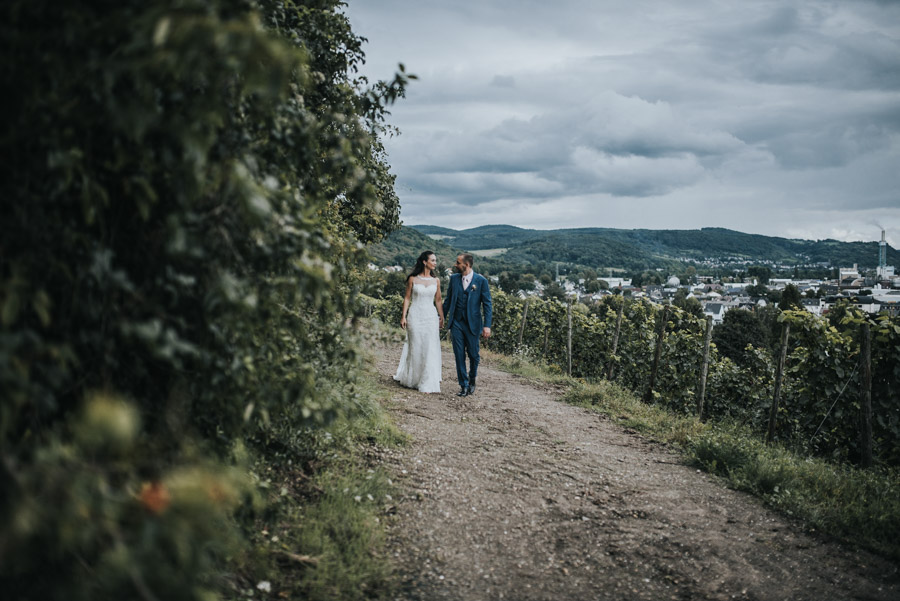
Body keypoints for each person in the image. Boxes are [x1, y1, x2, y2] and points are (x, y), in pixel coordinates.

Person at [394, 251, 444, 393]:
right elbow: (407, 298)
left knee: (429, 347)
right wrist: (403, 316)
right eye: (433, 260)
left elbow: (438, 300)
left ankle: (427, 380)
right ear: (424, 262)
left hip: (430, 316)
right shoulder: (412, 279)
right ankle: (413, 379)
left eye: (435, 260)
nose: (435, 263)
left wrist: (441, 317)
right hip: (415, 315)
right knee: (415, 345)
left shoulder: (436, 281)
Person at [442, 253, 492, 397]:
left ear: (467, 265)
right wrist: (441, 317)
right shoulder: (454, 279)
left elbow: (487, 304)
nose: (455, 265)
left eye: (458, 263)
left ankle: (472, 379)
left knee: (474, 355)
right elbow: (448, 300)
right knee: (459, 355)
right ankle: (463, 385)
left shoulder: (481, 281)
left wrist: (487, 325)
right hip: (456, 322)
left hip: (473, 324)